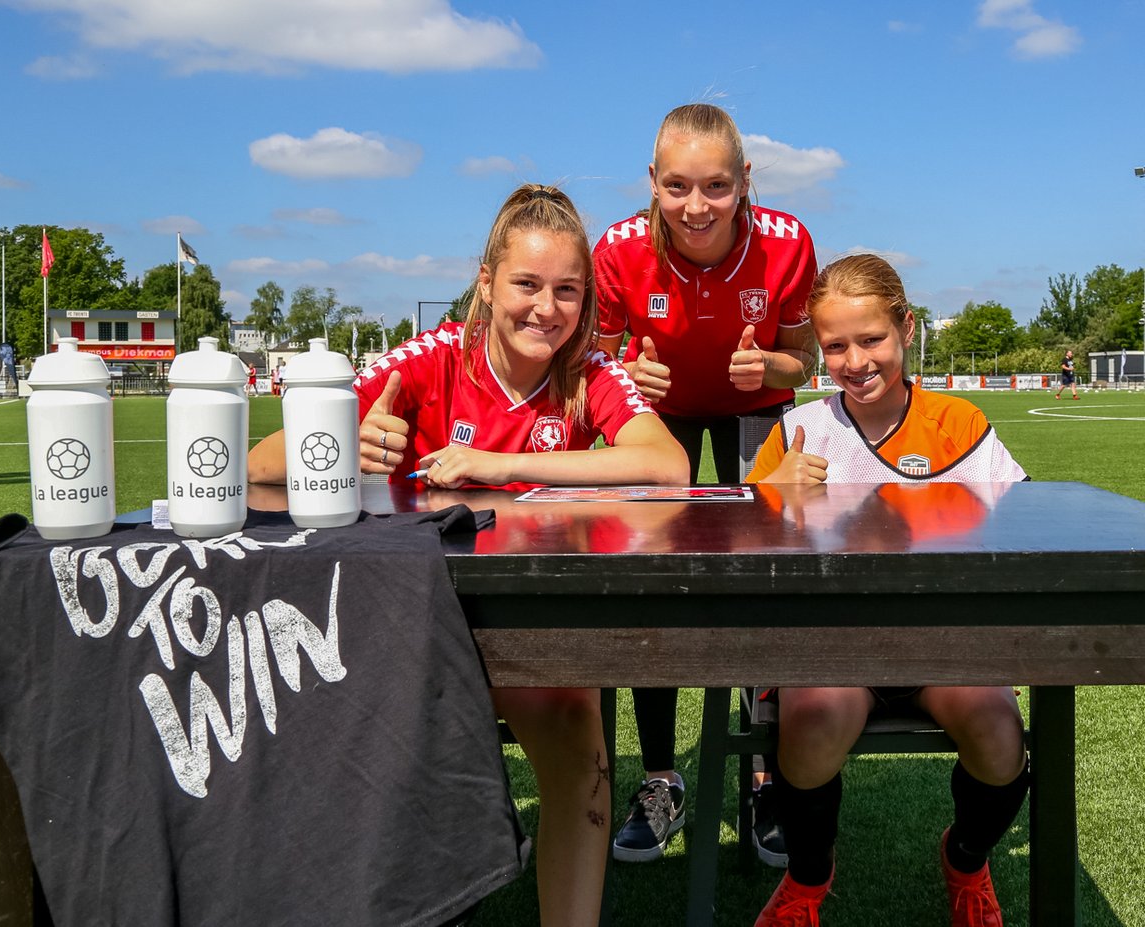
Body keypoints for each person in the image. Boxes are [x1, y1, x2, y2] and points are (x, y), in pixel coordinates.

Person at [249, 183, 689, 927]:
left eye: (567, 291)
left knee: (581, 745)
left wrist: (490, 461)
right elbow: (260, 463)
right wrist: (338, 444)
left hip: (538, 635)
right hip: (413, 626)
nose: (545, 309)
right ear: (485, 282)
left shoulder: (588, 370)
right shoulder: (431, 358)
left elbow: (667, 464)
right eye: (526, 284)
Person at [745, 254, 1030, 927]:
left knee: (997, 731)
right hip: (833, 645)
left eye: (871, 338)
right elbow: (744, 555)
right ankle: (808, 879)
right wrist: (770, 498)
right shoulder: (797, 432)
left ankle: (965, 857)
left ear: (905, 327)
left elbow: (1023, 529)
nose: (855, 359)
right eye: (836, 345)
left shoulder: (959, 427)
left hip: (942, 641)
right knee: (812, 722)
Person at [593, 101, 818, 866]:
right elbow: (590, 366)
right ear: (651, 180)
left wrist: (773, 369)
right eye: (678, 186)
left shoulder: (788, 242)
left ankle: (761, 771)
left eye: (717, 187)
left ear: (746, 180)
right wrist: (625, 371)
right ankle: (660, 778)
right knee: (652, 576)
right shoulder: (618, 249)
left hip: (756, 412)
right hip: (661, 418)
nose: (697, 207)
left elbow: (802, 363)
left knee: (767, 576)